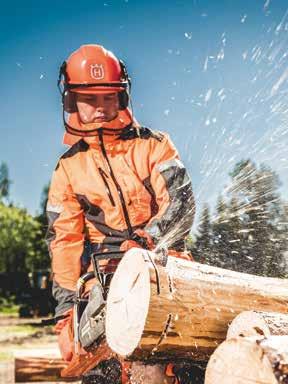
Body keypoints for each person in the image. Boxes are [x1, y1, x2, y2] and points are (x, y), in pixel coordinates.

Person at [47, 44, 196, 383]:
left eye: (107, 98)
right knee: (101, 368)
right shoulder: (68, 168)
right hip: (103, 271)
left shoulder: (154, 144)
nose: (99, 108)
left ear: (121, 97)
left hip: (162, 259)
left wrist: (149, 237)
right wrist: (64, 313)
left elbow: (181, 203)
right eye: (90, 100)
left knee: (185, 363)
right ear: (72, 102)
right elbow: (65, 242)